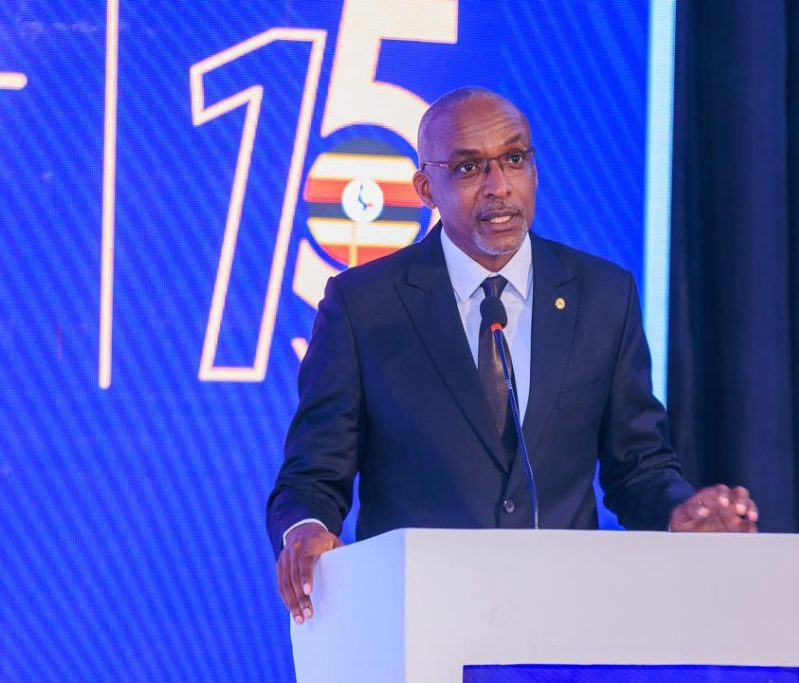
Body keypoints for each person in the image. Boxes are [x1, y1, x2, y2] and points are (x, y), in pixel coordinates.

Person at [267, 87, 758, 625]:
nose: (499, 186)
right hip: (417, 622)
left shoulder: (603, 296)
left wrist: (677, 511)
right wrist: (306, 531)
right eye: (469, 167)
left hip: (564, 623)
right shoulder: (363, 306)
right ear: (426, 189)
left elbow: (638, 466)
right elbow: (312, 476)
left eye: (515, 159)